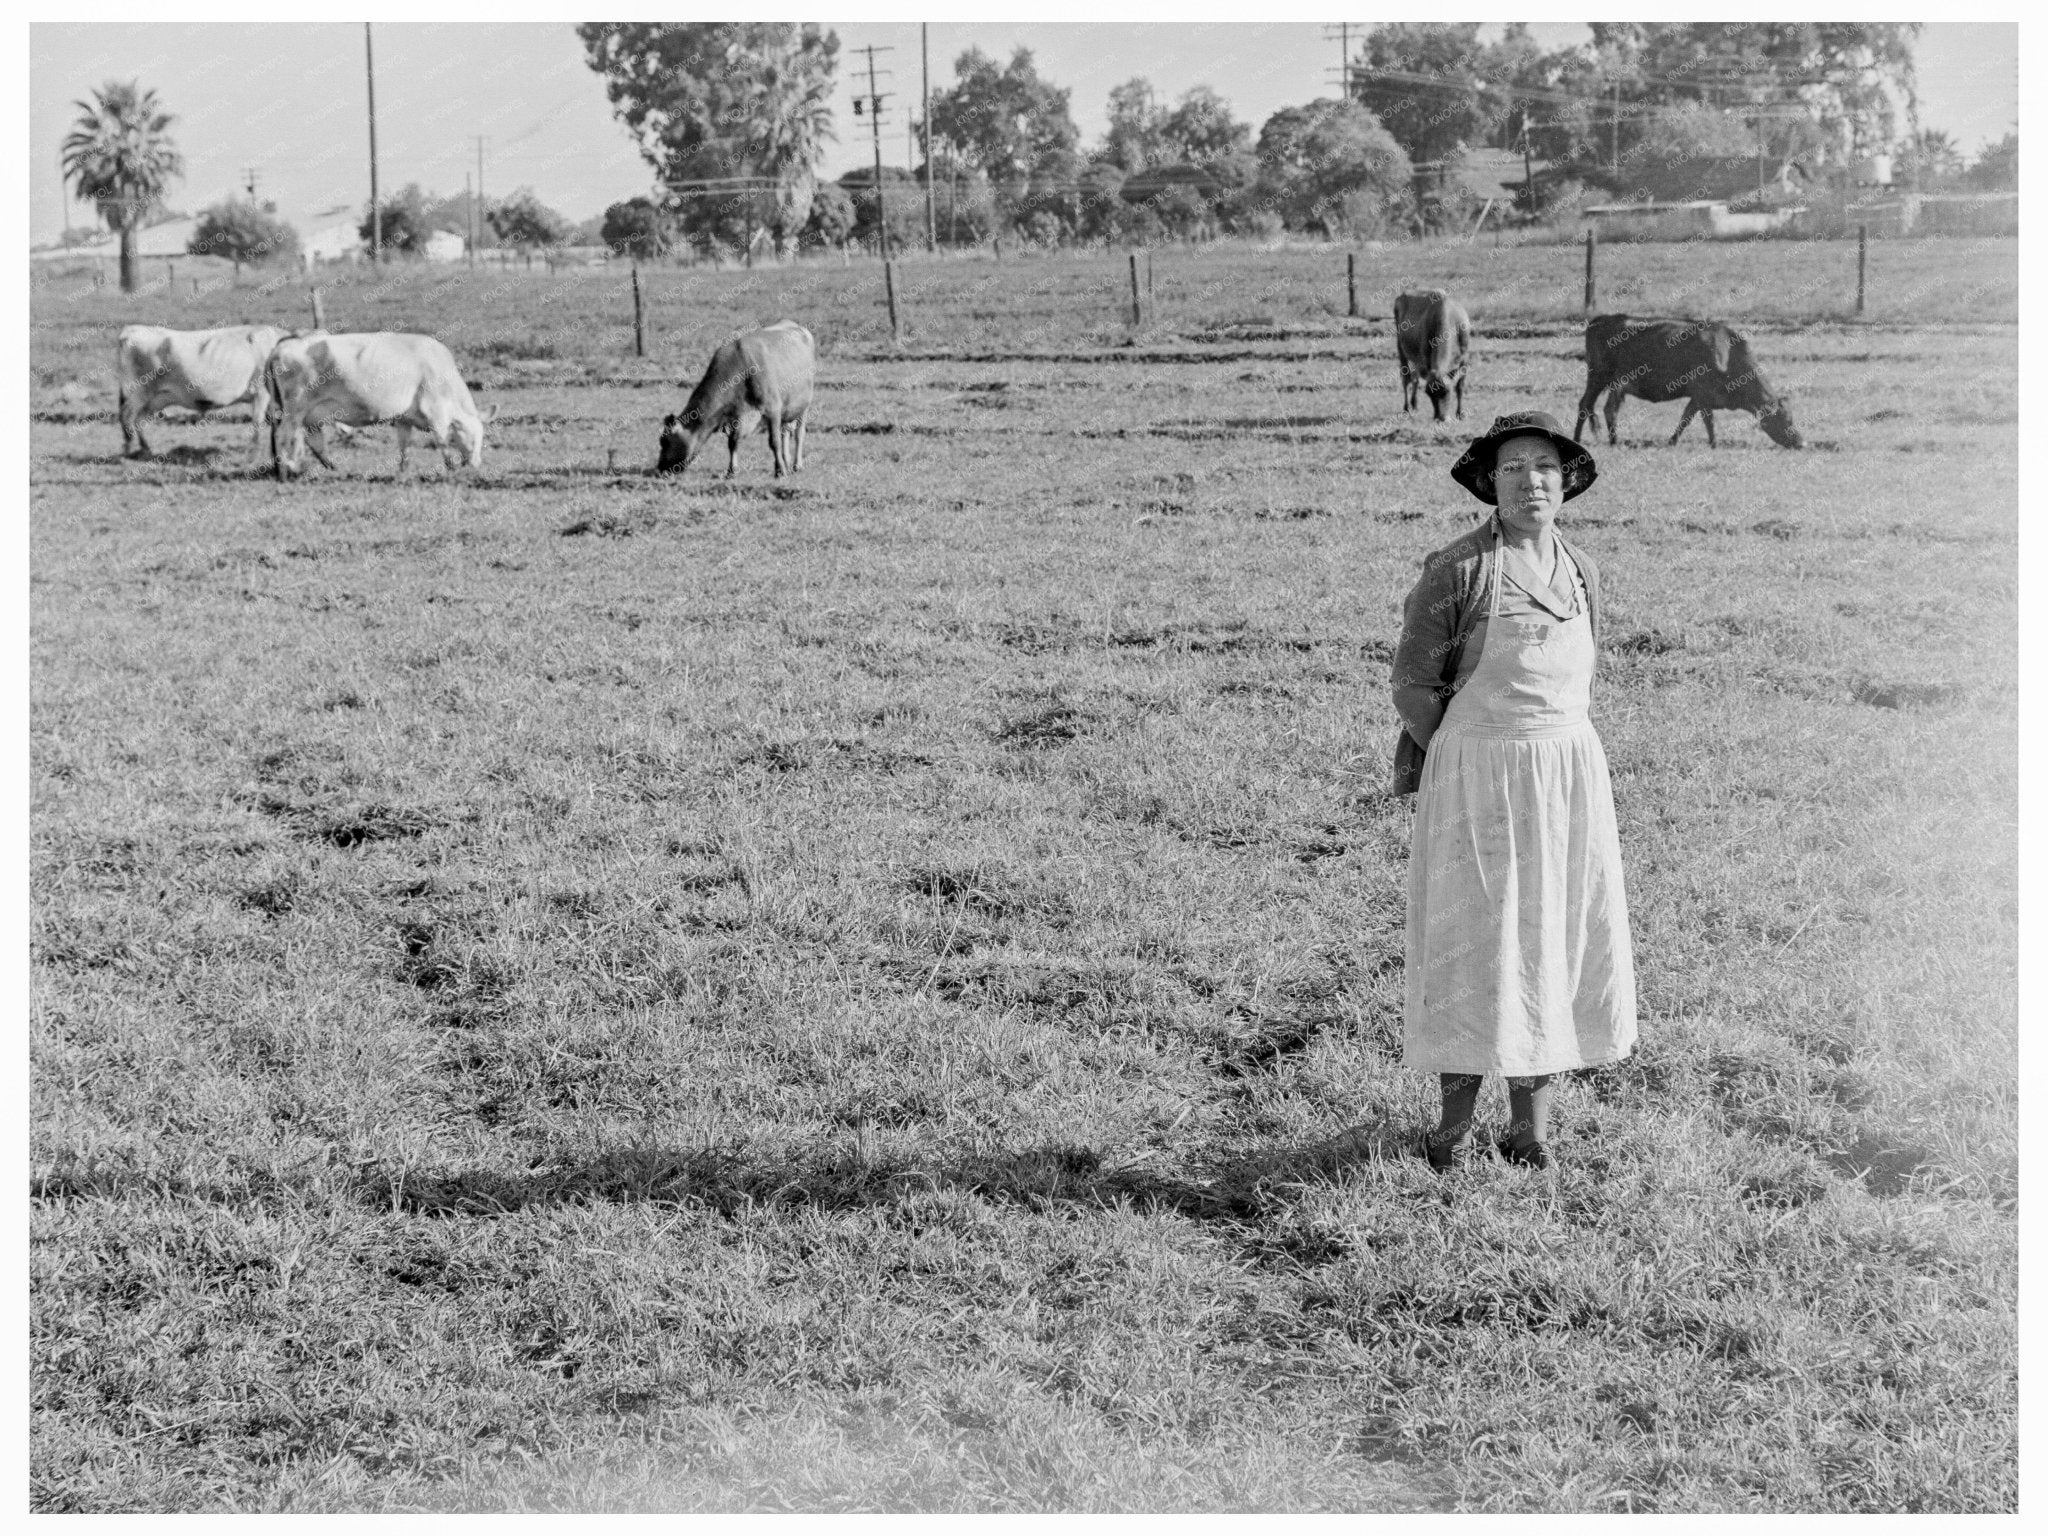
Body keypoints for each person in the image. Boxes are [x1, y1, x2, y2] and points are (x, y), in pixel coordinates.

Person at [1388, 411, 1637, 1172]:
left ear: (1566, 483)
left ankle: (1530, 1130)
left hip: (1565, 778)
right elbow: (1412, 684)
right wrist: (1464, 758)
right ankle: (1451, 1134)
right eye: (1514, 468)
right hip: (1474, 777)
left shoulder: (1583, 571)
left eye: (1545, 468)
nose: (1531, 481)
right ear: (1489, 484)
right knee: (1472, 945)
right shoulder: (1457, 569)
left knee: (1552, 937)